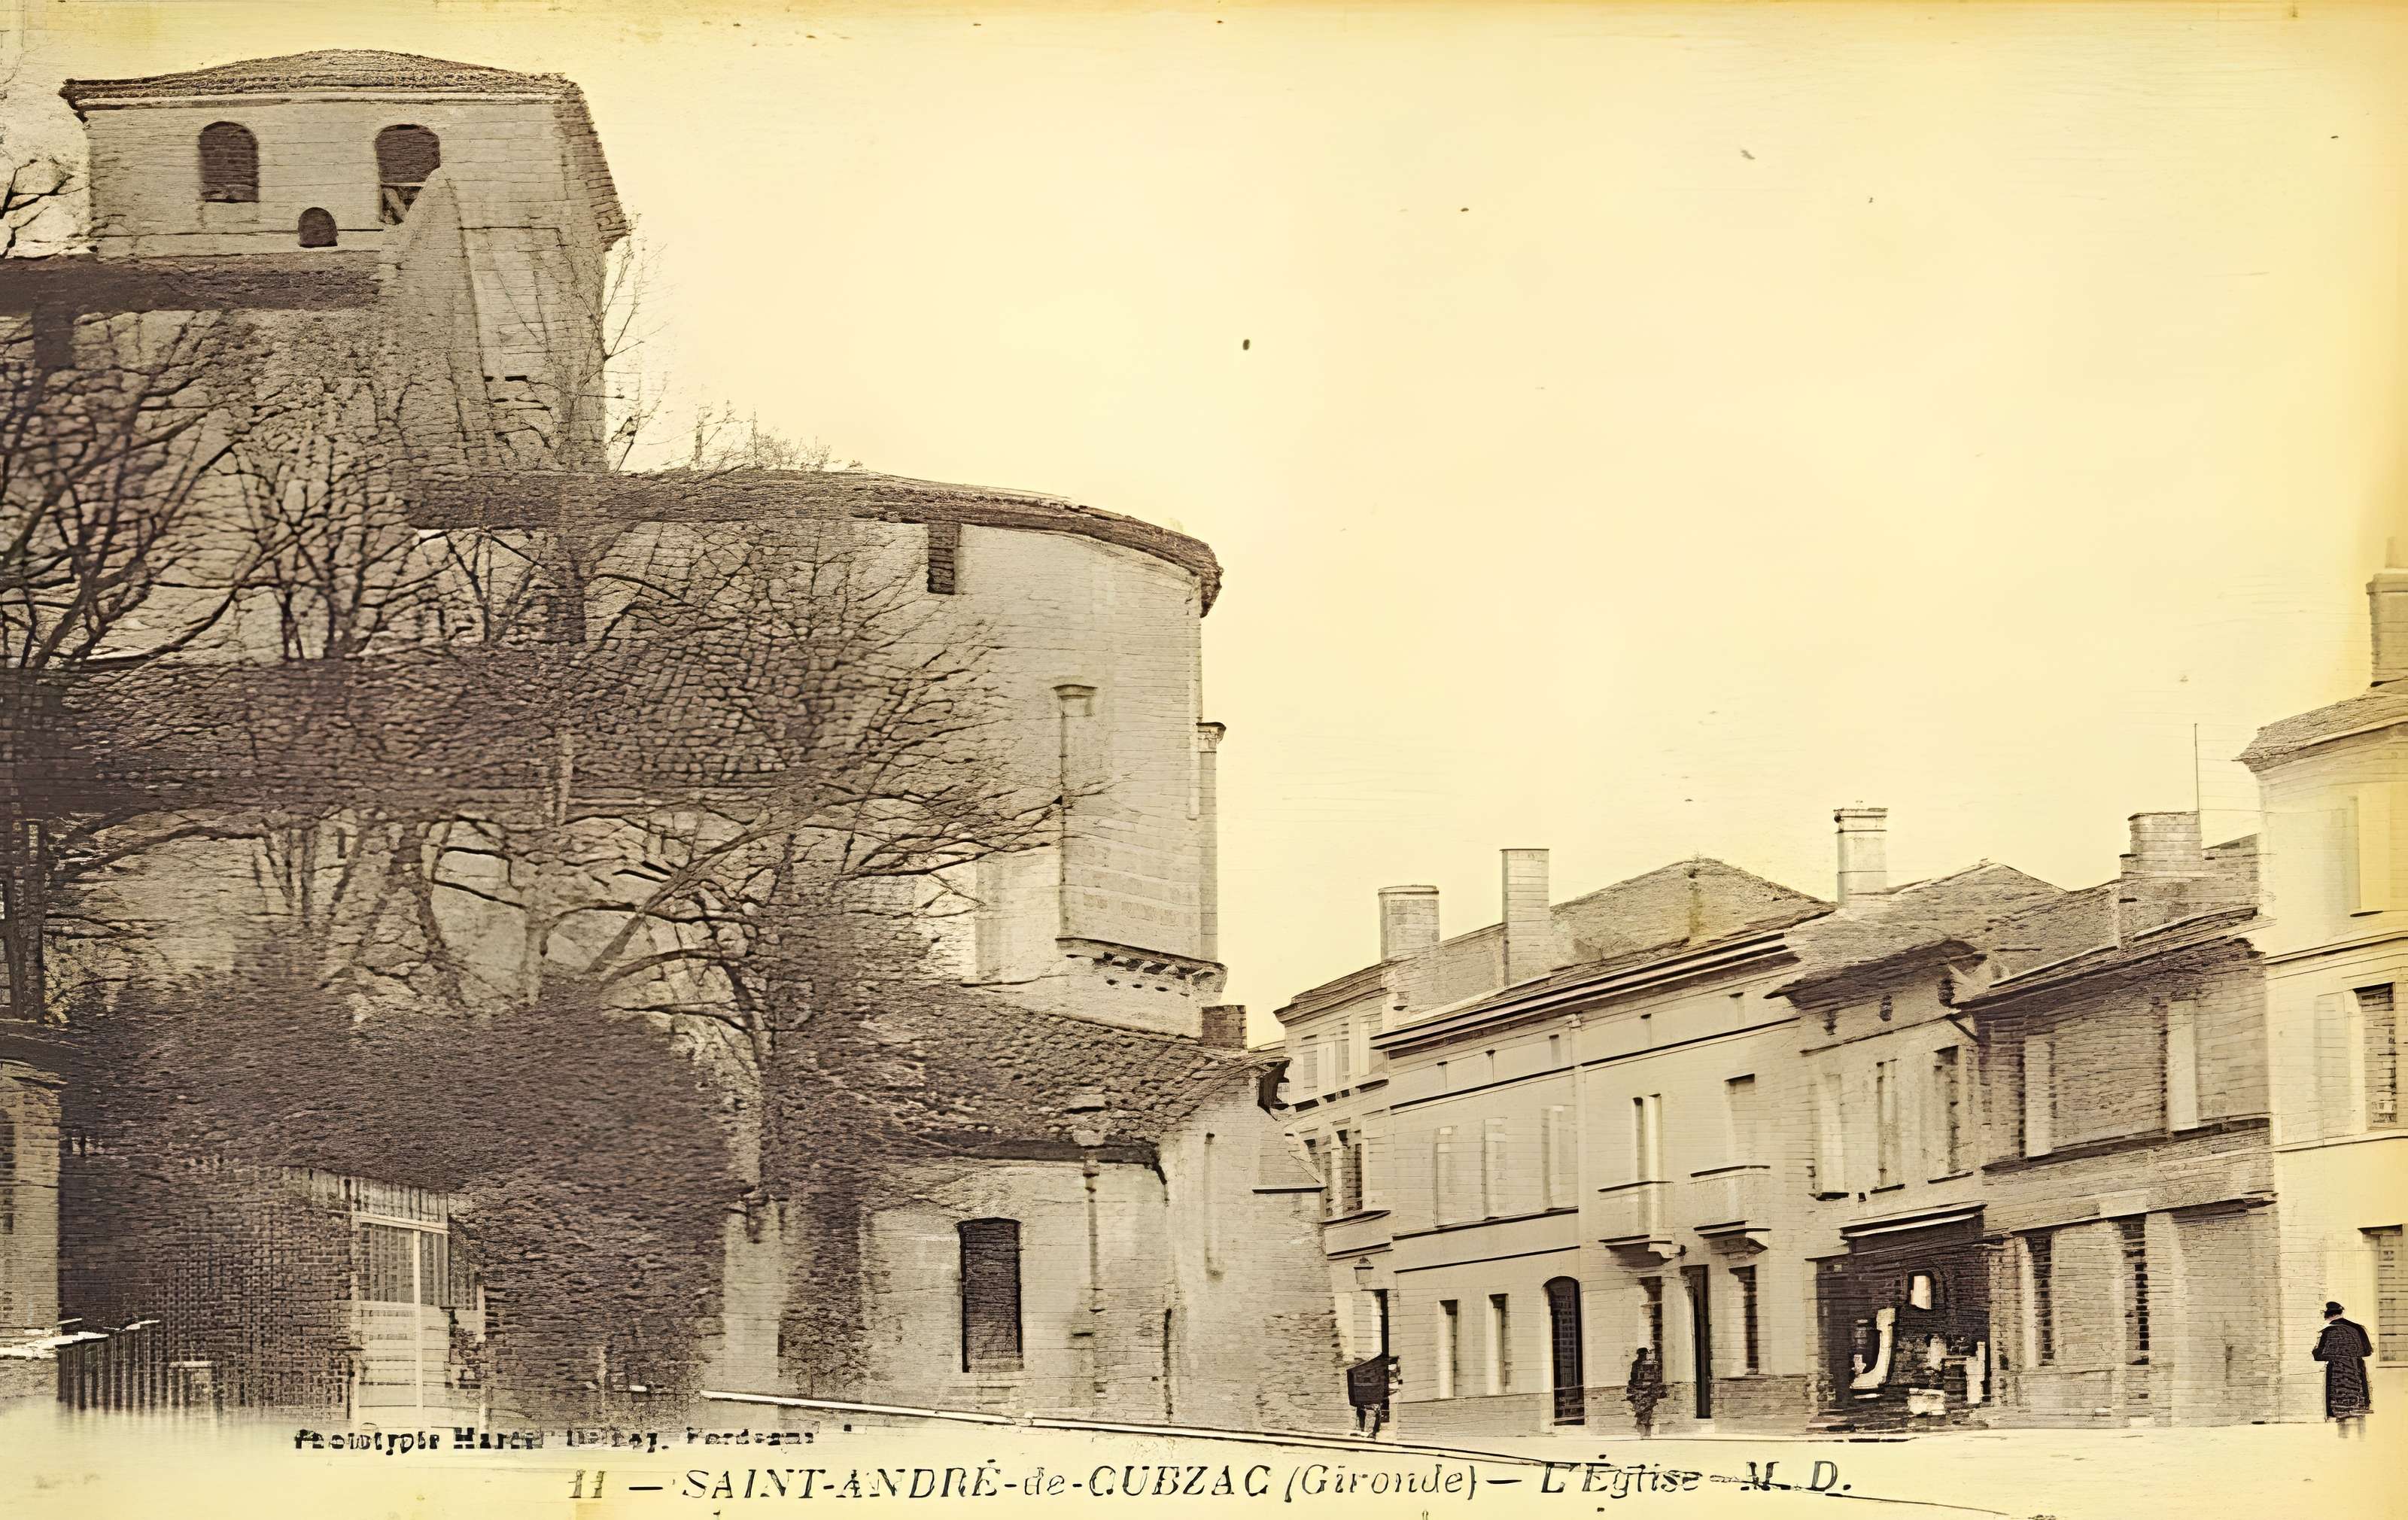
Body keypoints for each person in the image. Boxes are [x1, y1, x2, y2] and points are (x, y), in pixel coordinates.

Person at [2313, 1300, 2373, 1439]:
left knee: (2341, 1412)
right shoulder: (2358, 1328)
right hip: (2357, 1372)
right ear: (2341, 1313)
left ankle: (2344, 1440)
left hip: (2338, 1376)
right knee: (2359, 1410)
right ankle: (2361, 1439)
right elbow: (2367, 1351)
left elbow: (2319, 1355)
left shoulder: (2328, 1331)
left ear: (2328, 1315)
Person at [1626, 1346, 1665, 1438]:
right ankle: (1642, 1434)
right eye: (1642, 1355)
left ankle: (1647, 1433)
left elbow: (1656, 1377)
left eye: (1644, 1355)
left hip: (1648, 1392)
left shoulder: (1651, 1364)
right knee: (1640, 1412)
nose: (1643, 1356)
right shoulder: (1636, 1364)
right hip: (1640, 1392)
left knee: (1648, 1412)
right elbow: (1633, 1378)